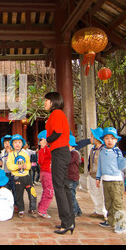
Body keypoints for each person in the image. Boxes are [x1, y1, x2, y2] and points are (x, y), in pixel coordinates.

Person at [44, 92, 74, 235]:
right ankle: (69, 221)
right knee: (64, 186)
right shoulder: (59, 113)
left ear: (53, 101)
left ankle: (66, 222)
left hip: (59, 152)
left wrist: (46, 140)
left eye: (46, 100)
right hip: (62, 152)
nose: (45, 103)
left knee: (59, 187)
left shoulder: (56, 113)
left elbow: (57, 133)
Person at [96, 127, 126, 234]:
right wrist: (98, 178)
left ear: (116, 140)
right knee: (108, 202)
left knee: (117, 203)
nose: (109, 141)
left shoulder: (117, 152)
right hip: (105, 180)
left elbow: (121, 166)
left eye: (112, 138)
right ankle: (111, 220)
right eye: (107, 138)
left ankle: (122, 225)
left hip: (116, 181)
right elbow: (100, 166)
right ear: (103, 140)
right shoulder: (102, 152)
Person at [6, 134, 37, 218]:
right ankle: (21, 209)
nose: (17, 144)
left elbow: (29, 164)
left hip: (26, 176)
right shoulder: (11, 155)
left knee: (32, 192)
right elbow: (9, 166)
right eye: (15, 142)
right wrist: (18, 166)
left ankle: (32, 208)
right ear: (12, 144)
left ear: (22, 143)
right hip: (17, 177)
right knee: (18, 194)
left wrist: (26, 166)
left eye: (19, 142)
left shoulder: (25, 153)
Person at [83, 128, 107, 219]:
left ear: (96, 138)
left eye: (92, 136)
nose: (90, 138)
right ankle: (98, 210)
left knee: (103, 194)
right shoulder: (92, 149)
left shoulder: (103, 149)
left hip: (100, 175)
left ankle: (105, 213)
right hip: (92, 174)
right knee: (94, 193)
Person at [36, 130, 53, 219]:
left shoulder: (40, 151)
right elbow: (52, 156)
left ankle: (41, 208)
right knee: (49, 191)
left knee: (45, 190)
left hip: (43, 171)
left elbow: (39, 162)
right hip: (48, 172)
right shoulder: (47, 149)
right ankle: (42, 210)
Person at [68, 134, 82, 217]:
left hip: (73, 177)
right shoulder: (71, 152)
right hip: (69, 177)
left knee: (71, 195)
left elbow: (68, 161)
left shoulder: (74, 153)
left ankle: (74, 211)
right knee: (71, 194)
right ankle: (78, 210)